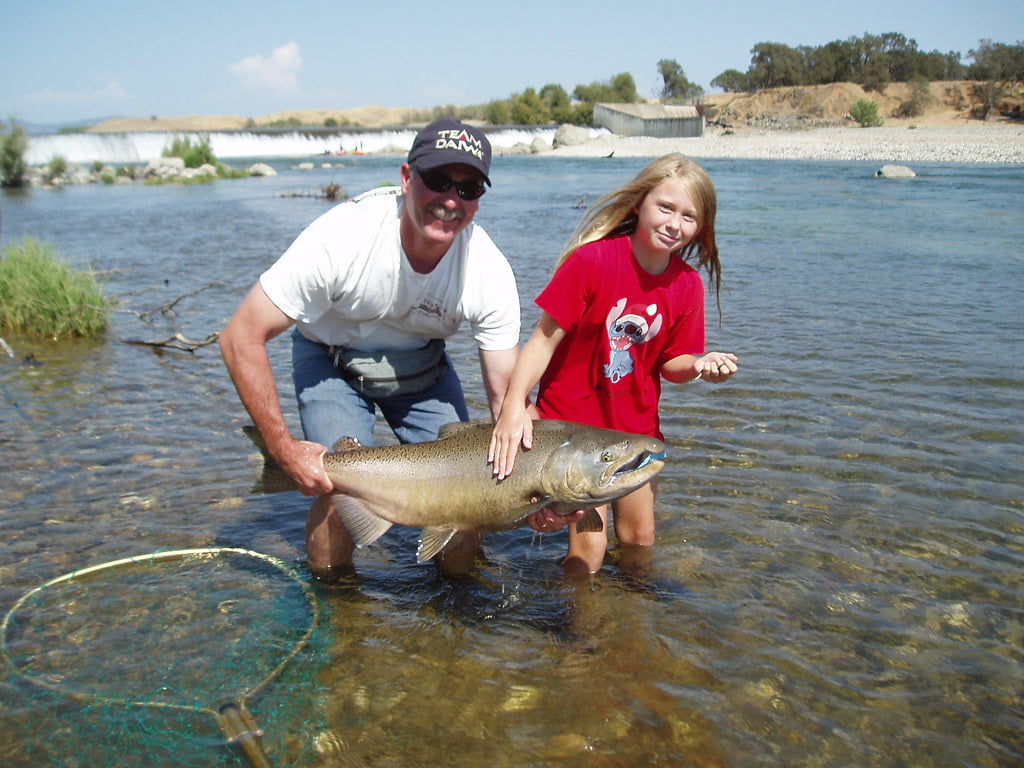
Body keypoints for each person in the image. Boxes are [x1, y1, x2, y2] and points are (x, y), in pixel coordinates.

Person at [220, 118, 523, 579]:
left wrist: (544, 490)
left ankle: (457, 620)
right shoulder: (342, 238)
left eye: (468, 189)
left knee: (466, 498)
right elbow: (240, 335)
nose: (450, 201)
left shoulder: (489, 271)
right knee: (337, 492)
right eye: (437, 181)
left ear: (479, 200)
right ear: (406, 178)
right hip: (330, 362)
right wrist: (284, 451)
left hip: (423, 371)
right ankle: (336, 615)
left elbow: (507, 403)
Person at [488, 153, 738, 577]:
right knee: (590, 547)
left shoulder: (687, 284)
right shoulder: (592, 262)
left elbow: (671, 366)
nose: (675, 224)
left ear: (702, 226)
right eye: (666, 208)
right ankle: (578, 633)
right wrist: (514, 406)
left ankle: (632, 623)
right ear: (639, 204)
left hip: (634, 431)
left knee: (640, 539)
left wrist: (699, 364)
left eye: (689, 217)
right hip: (572, 435)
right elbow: (541, 343)